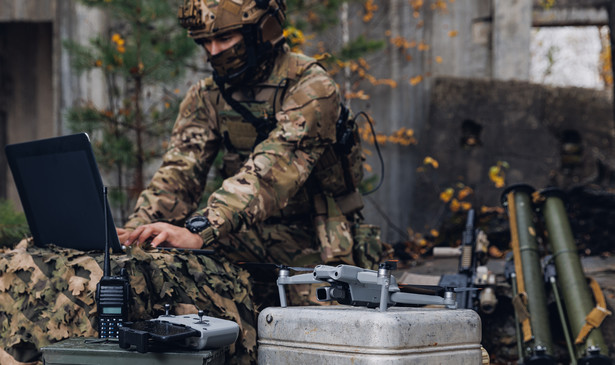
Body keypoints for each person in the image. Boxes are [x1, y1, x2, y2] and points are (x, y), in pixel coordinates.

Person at [117, 0, 383, 279]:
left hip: (316, 236)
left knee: (319, 320)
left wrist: (202, 228)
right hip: (241, 233)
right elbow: (178, 175)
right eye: (205, 41)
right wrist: (137, 232)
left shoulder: (312, 87)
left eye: (224, 38)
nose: (213, 51)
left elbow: (272, 171)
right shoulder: (207, 96)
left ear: (261, 31)